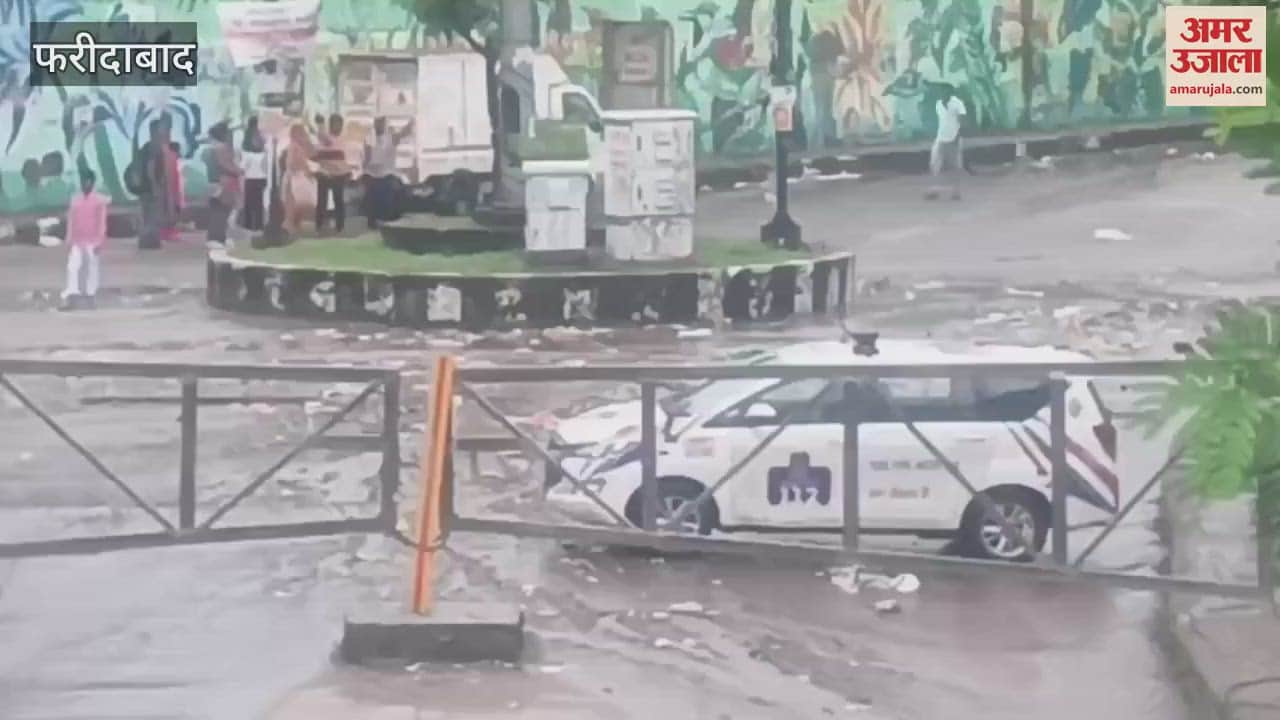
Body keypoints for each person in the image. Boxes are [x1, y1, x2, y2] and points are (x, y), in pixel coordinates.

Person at [60, 169, 109, 311]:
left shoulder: (99, 201)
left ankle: (90, 292)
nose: (84, 184)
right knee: (73, 265)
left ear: (92, 183)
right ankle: (72, 291)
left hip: (92, 240)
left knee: (92, 267)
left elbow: (102, 222)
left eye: (87, 182)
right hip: (77, 239)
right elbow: (71, 220)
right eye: (82, 182)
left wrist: (100, 241)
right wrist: (69, 238)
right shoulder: (75, 200)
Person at [362, 116, 411, 228]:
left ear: (384, 125)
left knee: (385, 200)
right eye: (377, 123)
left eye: (381, 123)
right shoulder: (370, 139)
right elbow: (367, 157)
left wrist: (410, 123)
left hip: (386, 175)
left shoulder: (390, 138)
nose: (378, 125)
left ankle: (385, 221)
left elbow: (403, 133)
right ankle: (373, 222)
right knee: (372, 203)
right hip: (372, 174)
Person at [138, 117, 179, 250]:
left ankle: (149, 240)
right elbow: (150, 167)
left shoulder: (149, 146)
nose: (165, 132)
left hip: (148, 188)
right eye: (163, 129)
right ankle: (149, 241)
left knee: (150, 215)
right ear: (155, 131)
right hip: (152, 187)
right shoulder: (154, 147)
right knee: (152, 215)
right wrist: (155, 186)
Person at [203, 121, 243, 247]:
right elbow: (225, 164)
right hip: (223, 182)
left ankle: (218, 237)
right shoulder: (221, 148)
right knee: (222, 210)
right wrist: (238, 171)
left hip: (214, 182)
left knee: (218, 210)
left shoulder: (211, 148)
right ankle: (216, 237)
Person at [927, 85, 967, 200]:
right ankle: (934, 190)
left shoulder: (957, 103)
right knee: (934, 164)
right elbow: (941, 121)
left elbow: (962, 121)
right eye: (941, 91)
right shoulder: (938, 104)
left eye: (945, 91)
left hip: (953, 139)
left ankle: (956, 192)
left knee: (955, 167)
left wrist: (957, 137)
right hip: (940, 138)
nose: (942, 94)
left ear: (950, 93)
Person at [314, 113, 350, 234]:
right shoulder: (324, 139)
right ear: (331, 125)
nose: (337, 127)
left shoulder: (341, 139)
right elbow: (323, 141)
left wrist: (320, 125)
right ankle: (319, 225)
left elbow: (327, 140)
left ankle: (340, 226)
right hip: (324, 174)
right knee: (321, 201)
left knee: (338, 200)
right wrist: (320, 125)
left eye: (339, 124)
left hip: (338, 175)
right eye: (335, 124)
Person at [282, 122, 317, 234]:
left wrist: (308, 139)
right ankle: (289, 226)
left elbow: (313, 153)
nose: (303, 135)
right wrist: (303, 169)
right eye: (301, 133)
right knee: (293, 204)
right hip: (294, 177)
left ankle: (295, 225)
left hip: (300, 176)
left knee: (301, 203)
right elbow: (292, 163)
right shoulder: (293, 146)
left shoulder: (301, 146)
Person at [240, 116, 269, 232]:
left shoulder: (247, 139)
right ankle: (259, 224)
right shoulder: (261, 137)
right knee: (259, 202)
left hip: (250, 177)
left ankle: (248, 224)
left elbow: (243, 167)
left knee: (248, 202)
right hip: (262, 177)